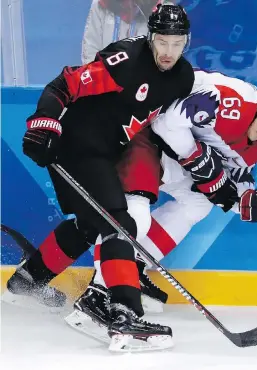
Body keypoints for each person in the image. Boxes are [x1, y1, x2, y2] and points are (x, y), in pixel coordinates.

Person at [3, 3, 194, 352]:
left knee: (92, 225)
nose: (168, 51)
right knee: (118, 224)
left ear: (186, 43)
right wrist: (44, 122)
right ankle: (123, 312)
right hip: (76, 145)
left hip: (102, 151)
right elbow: (66, 83)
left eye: (176, 43)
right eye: (162, 41)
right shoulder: (127, 60)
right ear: (151, 37)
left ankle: (27, 282)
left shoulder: (183, 78)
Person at [65, 69, 257, 344]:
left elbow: (228, 177)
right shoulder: (231, 99)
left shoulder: (256, 147)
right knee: (136, 219)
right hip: (140, 136)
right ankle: (97, 296)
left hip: (167, 156)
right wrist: (195, 156)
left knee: (198, 203)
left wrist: (246, 200)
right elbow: (165, 123)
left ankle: (133, 268)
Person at [82, 0, 166, 64]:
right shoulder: (101, 4)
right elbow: (90, 48)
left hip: (141, 81)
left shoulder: (162, 10)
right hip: (104, 79)